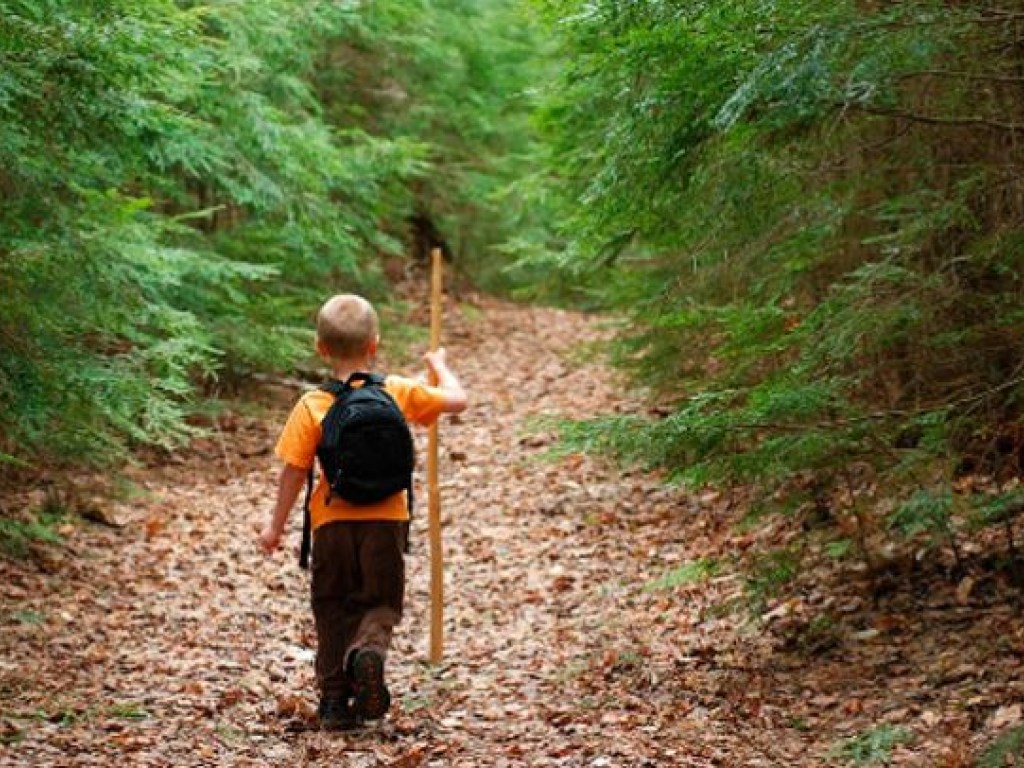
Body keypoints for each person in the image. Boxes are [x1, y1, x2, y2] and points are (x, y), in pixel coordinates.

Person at [257, 293, 467, 730]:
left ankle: (334, 702)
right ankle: (368, 651)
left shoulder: (312, 405)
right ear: (374, 344)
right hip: (387, 521)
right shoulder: (396, 391)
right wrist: (438, 364)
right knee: (380, 602)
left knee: (331, 606)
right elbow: (457, 400)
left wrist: (274, 527)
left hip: (331, 523)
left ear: (321, 348)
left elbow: (293, 474)